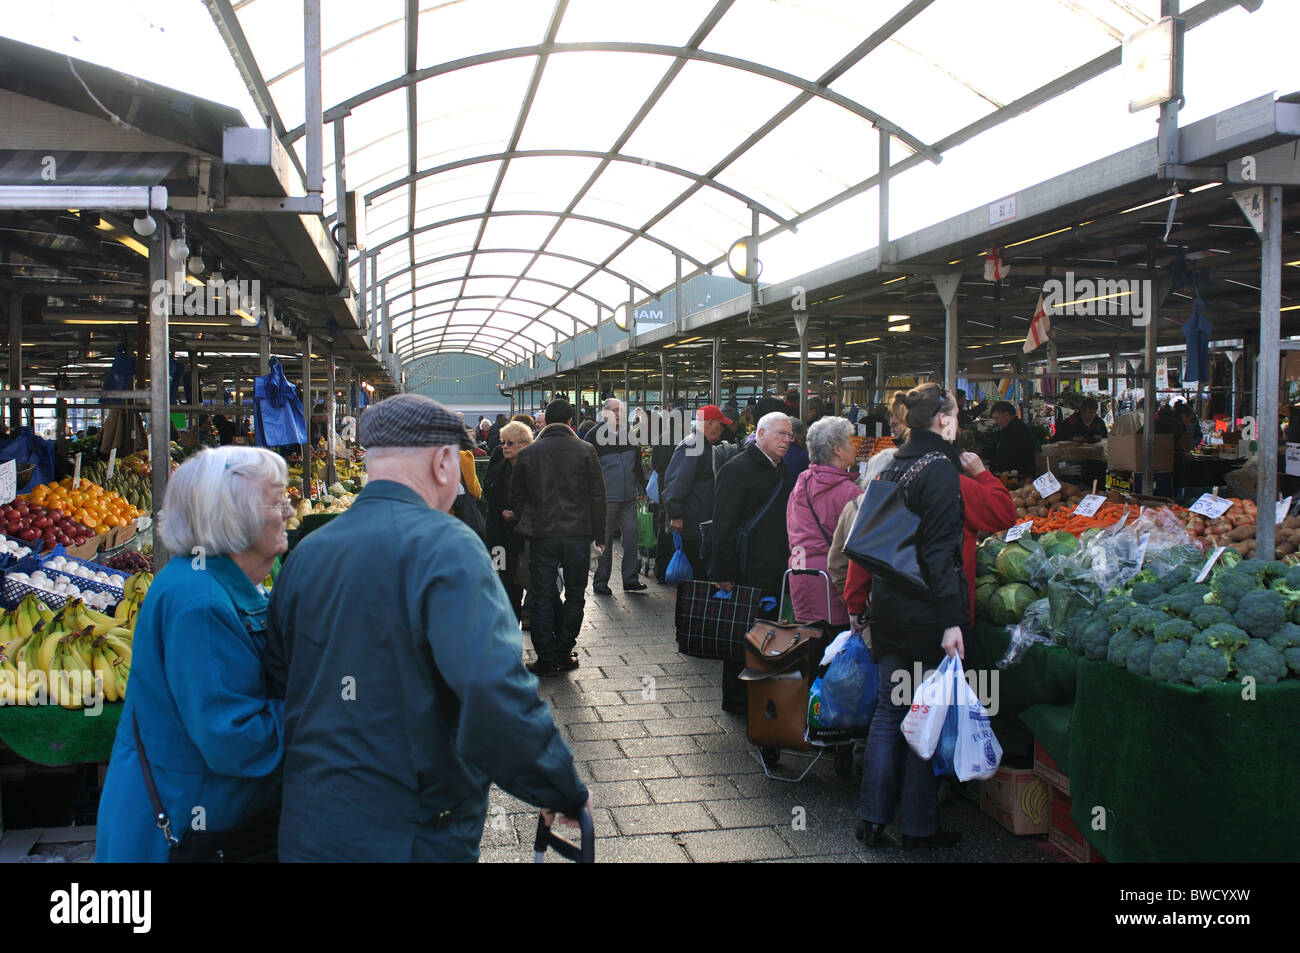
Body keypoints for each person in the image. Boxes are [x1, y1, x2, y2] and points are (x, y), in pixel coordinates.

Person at [265, 394, 590, 861]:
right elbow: (493, 690)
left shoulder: (306, 554)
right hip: (413, 833)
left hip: (310, 826)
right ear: (442, 463)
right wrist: (560, 786)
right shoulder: (449, 547)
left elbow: (279, 681)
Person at [96, 446, 288, 862]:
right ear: (233, 517)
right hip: (188, 833)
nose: (288, 512)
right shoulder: (200, 603)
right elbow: (236, 741)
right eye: (275, 501)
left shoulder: (223, 582)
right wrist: (328, 712)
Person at [857, 384, 967, 851]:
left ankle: (872, 819)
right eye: (957, 413)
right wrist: (952, 619)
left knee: (889, 713)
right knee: (924, 714)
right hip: (923, 611)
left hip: (888, 606)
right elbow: (940, 553)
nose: (959, 420)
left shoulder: (894, 461)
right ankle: (919, 827)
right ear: (943, 419)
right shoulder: (941, 468)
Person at [508, 398, 606, 676]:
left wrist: (529, 519)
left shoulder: (529, 453)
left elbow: (516, 497)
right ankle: (565, 650)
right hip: (577, 534)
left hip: (542, 535)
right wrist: (599, 534)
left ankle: (546, 657)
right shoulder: (587, 450)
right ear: (571, 422)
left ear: (546, 420)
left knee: (542, 593)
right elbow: (598, 496)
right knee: (576, 594)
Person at [710, 411, 795, 714]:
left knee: (765, 631)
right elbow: (723, 524)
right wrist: (724, 572)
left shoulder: (780, 469)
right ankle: (735, 699)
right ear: (760, 433)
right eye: (780, 434)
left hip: (773, 567)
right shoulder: (738, 469)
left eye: (789, 435)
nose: (786, 440)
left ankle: (756, 693)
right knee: (741, 633)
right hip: (745, 567)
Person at [786, 416, 863, 628]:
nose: (854, 446)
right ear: (838, 449)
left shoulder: (802, 483)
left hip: (799, 573)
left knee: (809, 646)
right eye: (850, 441)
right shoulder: (850, 493)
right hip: (832, 582)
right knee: (835, 649)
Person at [663, 405, 730, 580]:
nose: (723, 429)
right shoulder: (694, 445)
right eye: (720, 424)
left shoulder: (702, 445)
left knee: (697, 577)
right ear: (710, 423)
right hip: (691, 525)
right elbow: (677, 482)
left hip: (698, 522)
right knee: (695, 578)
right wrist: (676, 514)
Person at [587, 398, 647, 594]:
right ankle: (601, 582)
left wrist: (642, 487)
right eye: (614, 410)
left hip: (628, 496)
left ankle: (630, 579)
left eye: (620, 410)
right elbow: (586, 467)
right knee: (604, 541)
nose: (618, 414)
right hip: (605, 499)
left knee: (631, 538)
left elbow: (637, 463)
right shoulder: (594, 436)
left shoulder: (629, 434)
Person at [483, 420, 533, 620]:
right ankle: (510, 625)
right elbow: (488, 493)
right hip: (499, 537)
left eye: (510, 443)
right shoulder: (498, 465)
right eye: (503, 442)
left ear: (524, 445)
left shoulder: (532, 469)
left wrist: (517, 514)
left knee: (527, 581)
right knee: (503, 584)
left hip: (523, 537)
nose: (504, 446)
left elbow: (540, 501)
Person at [988, 401, 1036, 476]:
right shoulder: (1009, 428)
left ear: (1006, 415)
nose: (995, 422)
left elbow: (1008, 455)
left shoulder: (1016, 430)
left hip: (1018, 475)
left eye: (997, 418)